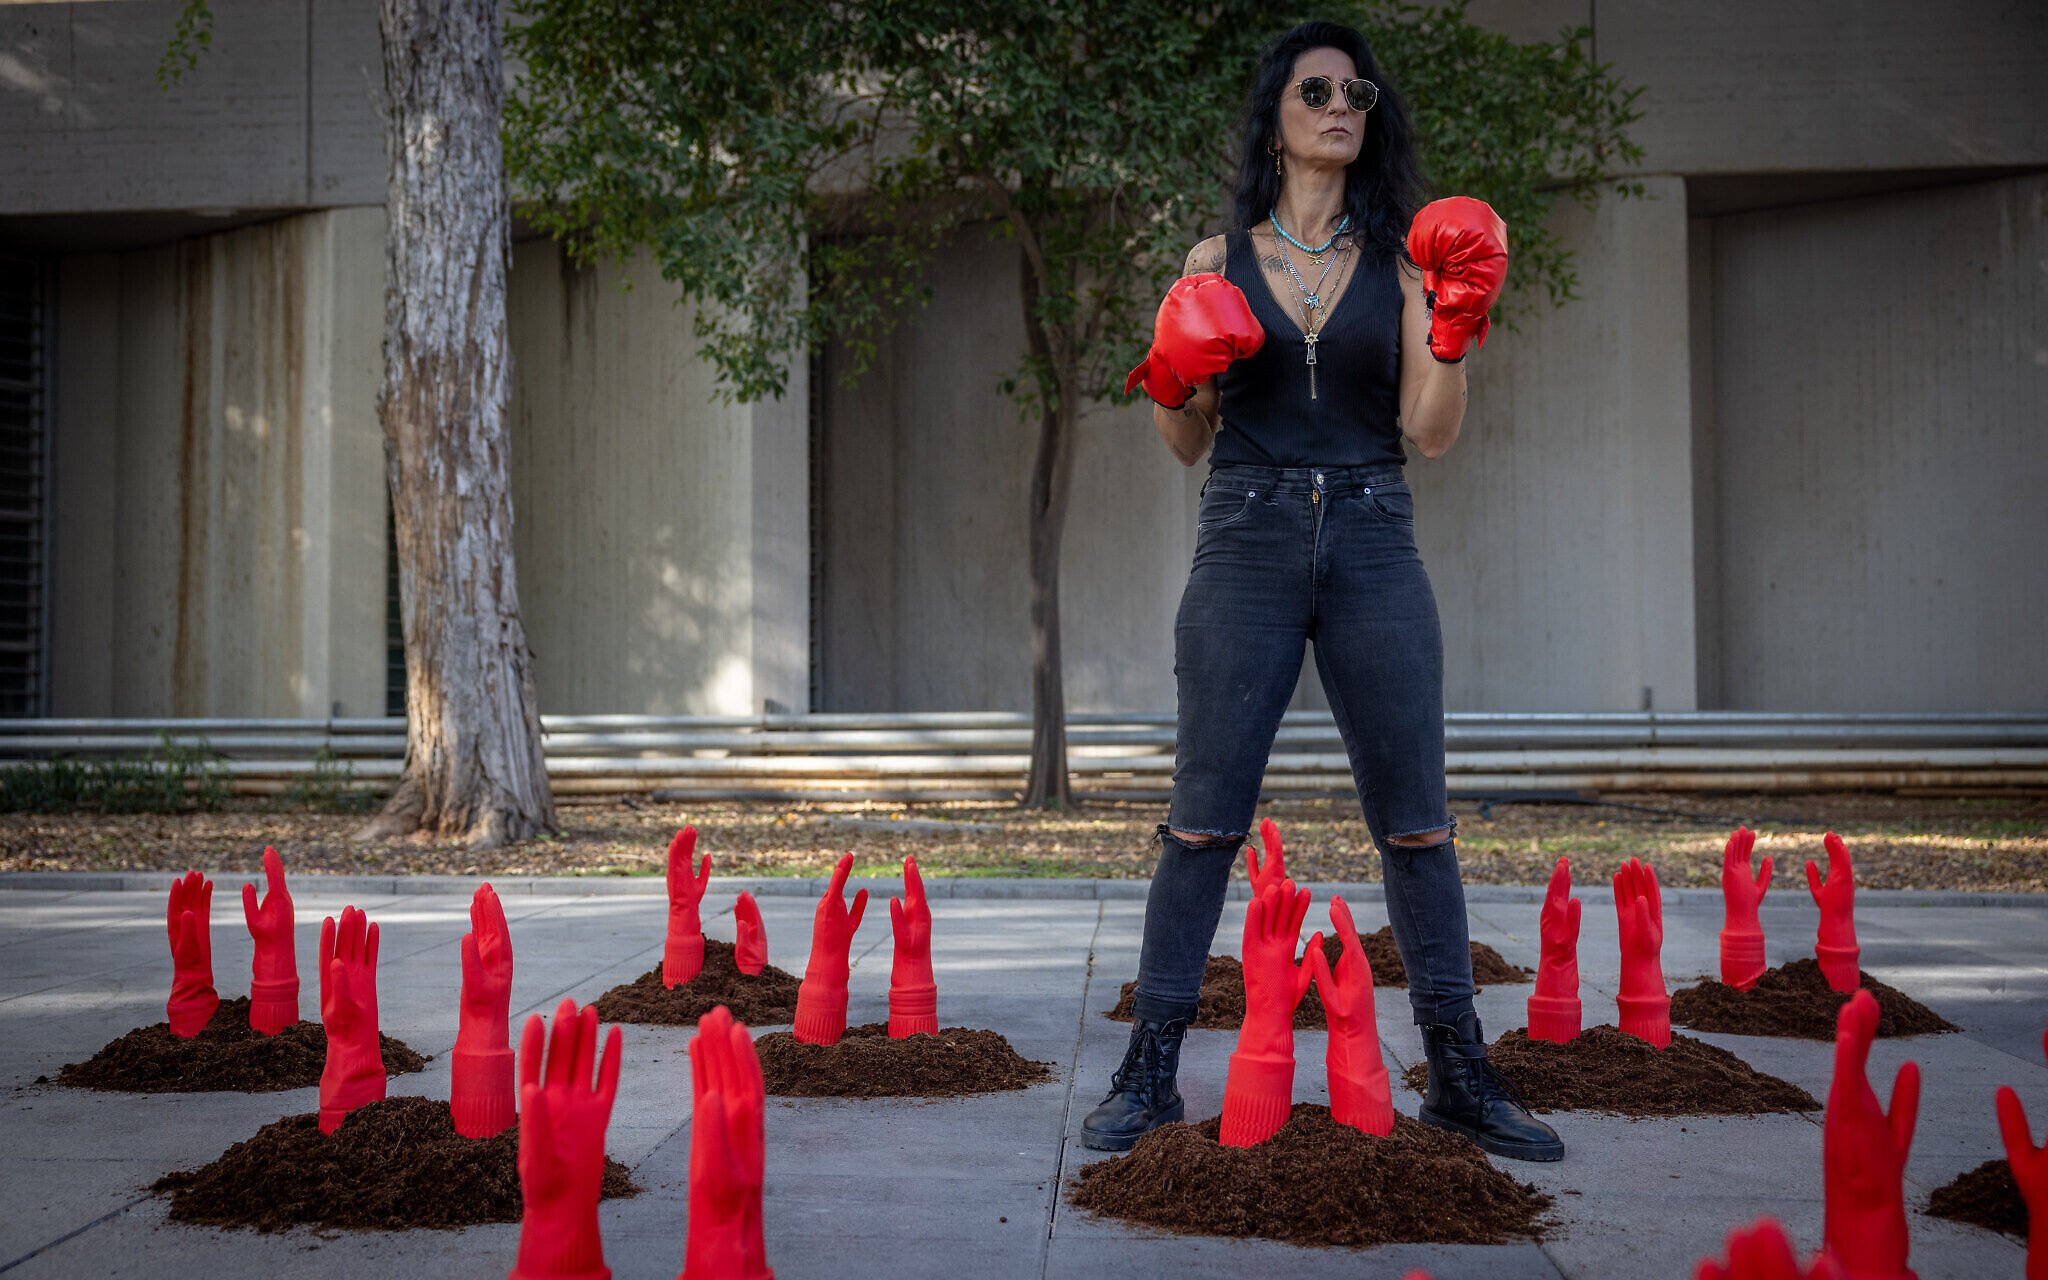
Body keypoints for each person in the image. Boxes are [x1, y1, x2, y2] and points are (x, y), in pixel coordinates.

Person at [1080, 20, 1561, 1163]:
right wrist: (1168, 370)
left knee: (1416, 820)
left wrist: (1449, 327)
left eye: (1358, 91)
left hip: (1371, 529)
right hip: (1242, 528)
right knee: (1201, 818)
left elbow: (1428, 435)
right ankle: (1149, 1070)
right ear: (1277, 115)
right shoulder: (1211, 260)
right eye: (1316, 89)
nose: (1341, 104)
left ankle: (1454, 1065)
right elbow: (1183, 441)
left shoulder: (1404, 261)